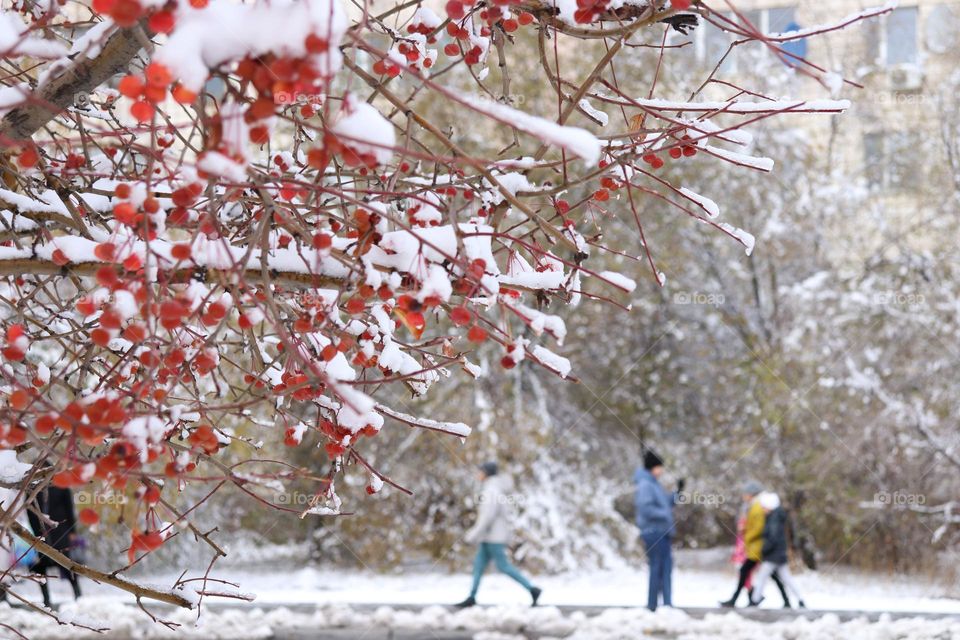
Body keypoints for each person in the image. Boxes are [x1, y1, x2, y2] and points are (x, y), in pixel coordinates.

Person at [455, 462, 541, 608]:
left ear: (486, 473)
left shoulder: (491, 491)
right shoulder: (493, 489)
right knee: (478, 566)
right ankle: (472, 596)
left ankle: (532, 589)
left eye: (480, 471)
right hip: (488, 537)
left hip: (494, 537)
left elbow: (487, 517)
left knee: (504, 566)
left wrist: (473, 534)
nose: (478, 474)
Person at [720, 482, 792, 608]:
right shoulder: (754, 505)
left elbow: (758, 527)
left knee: (746, 571)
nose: (743, 496)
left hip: (757, 547)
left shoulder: (757, 506)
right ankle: (782, 601)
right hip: (756, 546)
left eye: (745, 493)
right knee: (769, 574)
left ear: (751, 494)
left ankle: (740, 599)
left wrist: (747, 535)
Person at [634, 449, 681, 611]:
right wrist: (665, 514)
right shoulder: (646, 485)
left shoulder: (654, 484)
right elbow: (645, 508)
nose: (661, 470)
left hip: (663, 531)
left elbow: (666, 503)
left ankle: (666, 603)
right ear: (652, 467)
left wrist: (678, 493)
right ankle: (653, 604)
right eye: (659, 467)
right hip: (653, 532)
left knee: (665, 567)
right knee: (658, 567)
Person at [26, 484, 82, 608]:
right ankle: (46, 599)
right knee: (40, 567)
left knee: (66, 565)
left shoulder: (61, 485)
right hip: (40, 534)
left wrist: (72, 531)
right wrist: (33, 531)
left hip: (60, 532)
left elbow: (69, 508)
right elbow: (28, 510)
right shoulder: (32, 486)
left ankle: (78, 594)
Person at [748, 492, 806, 609]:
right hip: (778, 554)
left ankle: (754, 601)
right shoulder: (775, 516)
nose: (763, 509)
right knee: (787, 578)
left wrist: (764, 550)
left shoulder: (774, 518)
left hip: (773, 555)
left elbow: (772, 538)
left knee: (762, 577)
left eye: (764, 507)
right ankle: (800, 599)